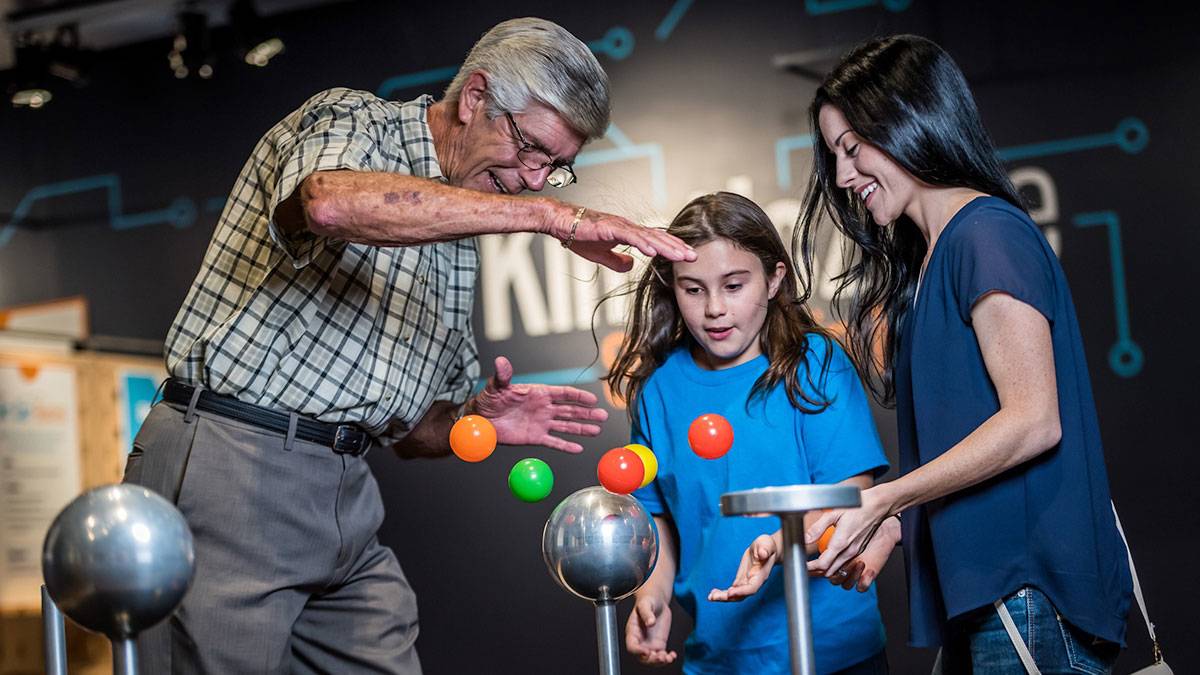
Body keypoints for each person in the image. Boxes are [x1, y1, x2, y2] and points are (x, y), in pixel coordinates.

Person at [122, 17, 695, 674]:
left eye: (556, 168)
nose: (537, 180)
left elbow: (412, 434)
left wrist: (476, 419)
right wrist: (552, 218)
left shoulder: (461, 240)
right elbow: (327, 203)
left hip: (347, 490)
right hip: (233, 460)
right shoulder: (356, 120)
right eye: (531, 149)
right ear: (475, 97)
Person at [794, 35, 1132, 673]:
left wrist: (888, 499)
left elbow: (1033, 421)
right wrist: (890, 527)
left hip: (1027, 595)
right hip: (990, 598)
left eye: (852, 148)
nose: (842, 177)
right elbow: (968, 439)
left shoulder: (986, 234)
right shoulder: (936, 256)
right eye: (835, 156)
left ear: (908, 120)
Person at [606, 192, 892, 674]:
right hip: (719, 658)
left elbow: (852, 497)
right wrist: (651, 596)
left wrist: (779, 545)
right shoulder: (658, 391)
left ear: (774, 279)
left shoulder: (814, 364)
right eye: (693, 289)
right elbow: (658, 518)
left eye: (734, 285)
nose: (714, 308)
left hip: (834, 652)